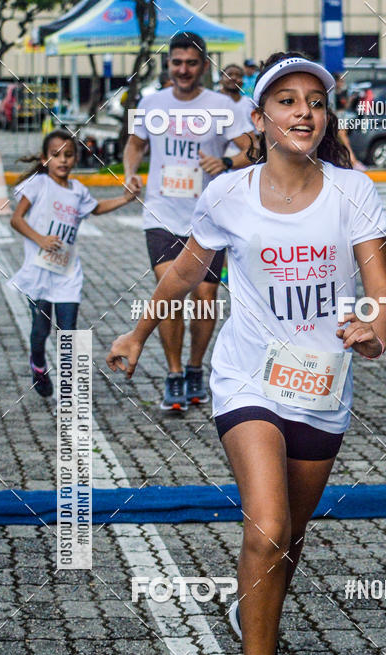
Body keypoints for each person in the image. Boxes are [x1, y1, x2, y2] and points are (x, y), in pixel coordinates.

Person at [107, 52, 386, 655]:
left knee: (289, 540)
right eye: (288, 101)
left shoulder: (353, 191)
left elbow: (381, 294)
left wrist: (376, 330)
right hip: (246, 378)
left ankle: (251, 611)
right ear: (259, 118)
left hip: (322, 385)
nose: (305, 112)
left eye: (316, 103)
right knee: (266, 527)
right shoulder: (229, 194)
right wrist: (140, 331)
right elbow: (183, 271)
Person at [123, 32, 252, 411]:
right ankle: (175, 374)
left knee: (206, 297)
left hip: (209, 217)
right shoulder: (151, 102)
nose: (183, 70)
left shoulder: (221, 105)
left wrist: (227, 162)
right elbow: (135, 142)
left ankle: (196, 367)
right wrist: (131, 172)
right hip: (161, 213)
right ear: (168, 64)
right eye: (176, 63)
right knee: (171, 293)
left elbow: (255, 149)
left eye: (191, 63)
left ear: (203, 66)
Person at [9, 129, 138, 397]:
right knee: (41, 330)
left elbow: (96, 208)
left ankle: (70, 389)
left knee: (68, 332)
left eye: (68, 155)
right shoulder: (38, 185)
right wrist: (41, 239)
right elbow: (16, 220)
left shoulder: (78, 191)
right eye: (56, 155)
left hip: (67, 273)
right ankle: (39, 364)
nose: (63, 160)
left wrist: (125, 198)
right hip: (39, 272)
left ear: (76, 158)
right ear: (45, 159)